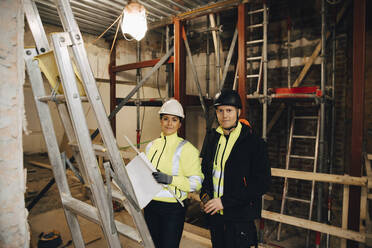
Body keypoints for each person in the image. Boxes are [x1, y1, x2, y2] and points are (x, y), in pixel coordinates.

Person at [200, 89, 271, 248]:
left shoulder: (254, 143)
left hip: (240, 219)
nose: (225, 115)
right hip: (215, 217)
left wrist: (224, 202)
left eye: (229, 110)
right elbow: (205, 172)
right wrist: (205, 196)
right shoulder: (211, 138)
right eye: (220, 110)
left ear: (238, 111)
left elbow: (262, 183)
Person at [144, 98, 204, 248]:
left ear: (180, 124)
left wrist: (171, 180)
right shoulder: (151, 146)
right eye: (165, 119)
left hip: (173, 209)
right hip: (151, 206)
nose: (169, 123)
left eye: (174, 120)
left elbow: (196, 183)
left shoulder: (188, 149)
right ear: (160, 121)